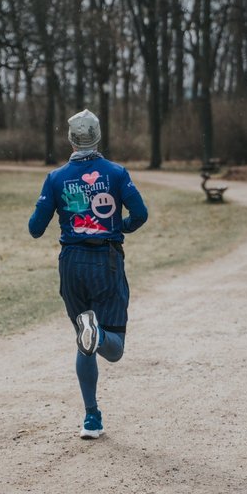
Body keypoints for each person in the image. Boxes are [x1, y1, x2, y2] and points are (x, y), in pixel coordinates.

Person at [28, 109, 148, 439]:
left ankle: (91, 418)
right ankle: (97, 332)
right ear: (98, 137)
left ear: (70, 139)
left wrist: (54, 206)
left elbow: (35, 229)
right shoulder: (117, 173)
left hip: (71, 265)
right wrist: (117, 227)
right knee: (114, 347)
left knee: (84, 342)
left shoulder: (54, 179)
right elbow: (140, 214)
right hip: (105, 262)